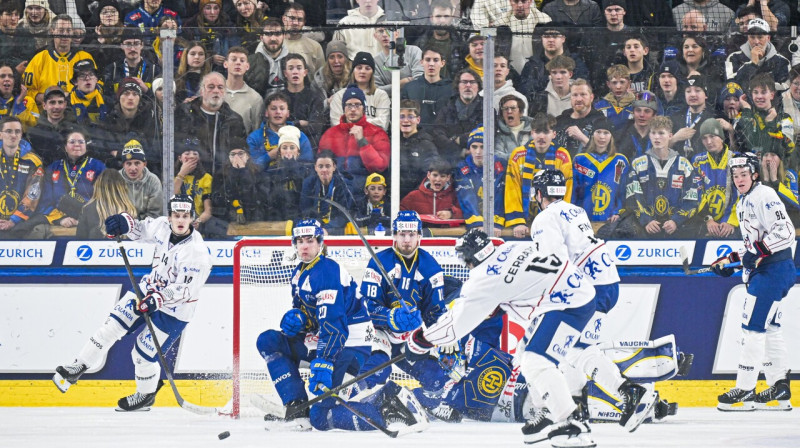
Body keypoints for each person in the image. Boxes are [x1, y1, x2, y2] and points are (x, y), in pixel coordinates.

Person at [404, 228, 598, 446]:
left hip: (566, 304)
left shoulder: (483, 278)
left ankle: (571, 423)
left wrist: (420, 341)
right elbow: (520, 281)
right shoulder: (511, 247)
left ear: (470, 258)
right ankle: (548, 412)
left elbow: (454, 326)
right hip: (574, 292)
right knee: (524, 355)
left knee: (536, 361)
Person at [53, 195, 212, 411]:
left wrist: (158, 298)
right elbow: (140, 230)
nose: (180, 220)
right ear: (169, 216)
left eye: (185, 216)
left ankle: (145, 396)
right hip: (148, 289)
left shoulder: (197, 252)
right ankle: (77, 366)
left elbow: (186, 289)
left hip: (174, 310)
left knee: (142, 355)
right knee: (111, 327)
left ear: (192, 218)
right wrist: (123, 223)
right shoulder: (162, 226)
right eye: (176, 215)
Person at [529, 168, 656, 431]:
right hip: (606, 282)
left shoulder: (544, 218)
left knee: (575, 349)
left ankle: (628, 391)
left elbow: (553, 263)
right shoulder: (575, 210)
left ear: (539, 193)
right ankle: (577, 407)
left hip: (587, 289)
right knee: (570, 349)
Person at [255, 218, 396, 431]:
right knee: (269, 341)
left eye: (310, 240)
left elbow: (335, 325)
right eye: (300, 241)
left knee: (321, 417)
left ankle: (385, 405)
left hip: (349, 346)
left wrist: (324, 362)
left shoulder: (327, 272)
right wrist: (299, 319)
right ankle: (297, 407)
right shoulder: (300, 272)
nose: (304, 246)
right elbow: (313, 316)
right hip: (328, 341)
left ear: (320, 243)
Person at [711, 152, 794, 411]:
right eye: (735, 175)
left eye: (744, 174)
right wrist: (730, 261)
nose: (739, 179)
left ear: (755, 174)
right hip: (768, 271)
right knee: (770, 328)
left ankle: (746, 389)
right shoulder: (743, 201)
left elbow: (785, 232)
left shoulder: (764, 195)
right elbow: (752, 246)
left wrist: (756, 252)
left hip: (773, 271)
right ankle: (780, 388)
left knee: (753, 329)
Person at [357, 211, 451, 396]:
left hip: (410, 336)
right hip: (379, 333)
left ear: (419, 236)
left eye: (411, 234)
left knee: (436, 378)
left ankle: (410, 403)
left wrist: (447, 337)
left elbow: (435, 313)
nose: (407, 240)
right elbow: (366, 308)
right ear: (394, 235)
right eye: (402, 234)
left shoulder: (431, 267)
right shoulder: (379, 262)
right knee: (374, 372)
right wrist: (390, 317)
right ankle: (356, 401)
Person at [625, 116, 699, 238]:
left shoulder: (684, 164)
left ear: (670, 136)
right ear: (649, 135)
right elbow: (632, 196)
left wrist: (676, 221)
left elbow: (692, 198)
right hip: (645, 228)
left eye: (661, 133)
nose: (656, 137)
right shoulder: (638, 164)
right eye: (653, 133)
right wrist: (646, 220)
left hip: (676, 228)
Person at [505, 113, 573, 238]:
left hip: (552, 222)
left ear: (554, 134)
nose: (541, 136)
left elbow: (566, 191)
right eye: (537, 132)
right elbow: (512, 189)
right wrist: (518, 221)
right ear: (532, 133)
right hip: (524, 221)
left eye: (546, 132)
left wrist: (557, 220)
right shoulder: (518, 155)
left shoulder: (563, 156)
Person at [319, 85, 390, 192]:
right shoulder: (330, 134)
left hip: (365, 192)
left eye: (357, 105)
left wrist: (362, 142)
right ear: (343, 108)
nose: (352, 109)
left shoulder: (377, 133)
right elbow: (321, 167)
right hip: (337, 192)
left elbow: (380, 166)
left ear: (364, 108)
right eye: (349, 105)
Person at [175, 72, 247, 175]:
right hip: (192, 178)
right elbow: (175, 148)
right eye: (211, 87)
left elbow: (241, 153)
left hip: (223, 179)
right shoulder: (184, 113)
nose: (216, 91)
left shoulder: (235, 120)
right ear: (202, 91)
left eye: (220, 87)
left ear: (225, 92)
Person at [22, 14, 96, 107]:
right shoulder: (39, 58)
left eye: (68, 30)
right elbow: (27, 89)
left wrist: (74, 98)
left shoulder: (85, 58)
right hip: (46, 112)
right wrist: (41, 97)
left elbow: (97, 86)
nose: (65, 34)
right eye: (61, 30)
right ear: (52, 31)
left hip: (78, 110)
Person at [41, 129, 106, 230]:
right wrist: (60, 219)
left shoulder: (98, 167)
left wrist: (85, 219)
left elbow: (105, 199)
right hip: (58, 220)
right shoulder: (54, 167)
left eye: (81, 142)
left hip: (91, 222)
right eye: (72, 142)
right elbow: (45, 200)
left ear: (86, 146)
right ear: (65, 147)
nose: (77, 145)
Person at [573, 118, 629, 222]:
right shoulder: (580, 160)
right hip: (583, 219)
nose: (602, 136)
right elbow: (574, 192)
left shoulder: (620, 161)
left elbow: (622, 193)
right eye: (598, 132)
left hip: (610, 220)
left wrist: (618, 212)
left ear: (611, 136)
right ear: (592, 135)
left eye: (606, 133)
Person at [455, 126, 506, 236]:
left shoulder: (501, 165)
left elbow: (500, 196)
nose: (478, 152)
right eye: (474, 147)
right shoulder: (461, 167)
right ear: (469, 148)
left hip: (499, 223)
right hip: (474, 223)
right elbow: (466, 196)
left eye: (483, 147)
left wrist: (495, 222)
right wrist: (477, 223)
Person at [0, 116, 46, 239]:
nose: (13, 135)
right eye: (8, 131)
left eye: (17, 131)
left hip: (21, 221)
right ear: (0, 135)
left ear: (21, 135)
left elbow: (33, 194)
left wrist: (14, 220)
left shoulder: (33, 162)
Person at [210, 137, 270, 227]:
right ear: (228, 157)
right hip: (228, 222)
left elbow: (260, 198)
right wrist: (233, 174)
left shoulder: (258, 172)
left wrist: (244, 172)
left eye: (240, 154)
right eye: (233, 154)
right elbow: (218, 199)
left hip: (254, 219)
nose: (237, 158)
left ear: (247, 156)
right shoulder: (220, 174)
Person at [734, 73, 795, 159]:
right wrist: (747, 110)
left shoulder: (784, 118)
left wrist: (770, 123)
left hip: (776, 165)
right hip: (748, 164)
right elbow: (742, 143)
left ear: (772, 95)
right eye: (755, 92)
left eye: (763, 92)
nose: (759, 96)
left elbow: (788, 148)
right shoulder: (743, 115)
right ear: (751, 95)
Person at [248, 92, 314, 170]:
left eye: (282, 109)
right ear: (266, 113)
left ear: (288, 113)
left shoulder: (300, 136)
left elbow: (308, 165)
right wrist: (269, 156)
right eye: (273, 109)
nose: (278, 112)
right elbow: (251, 167)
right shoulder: (254, 138)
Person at [328, 52, 391, 131]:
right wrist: (368, 123)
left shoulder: (381, 95)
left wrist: (351, 124)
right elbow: (336, 124)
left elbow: (383, 124)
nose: (363, 71)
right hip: (346, 138)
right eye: (359, 68)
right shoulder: (340, 95)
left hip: (373, 138)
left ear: (372, 73)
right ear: (353, 71)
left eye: (367, 68)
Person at [299, 150, 356, 235]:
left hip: (336, 228)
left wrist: (327, 229)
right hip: (314, 228)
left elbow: (344, 215)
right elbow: (306, 211)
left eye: (328, 166)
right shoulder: (308, 184)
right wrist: (318, 228)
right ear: (315, 168)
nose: (324, 170)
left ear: (334, 167)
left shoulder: (344, 184)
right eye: (320, 166)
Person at [725, 18, 790, 92]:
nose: (756, 42)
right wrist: (752, 64)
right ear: (748, 38)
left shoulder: (782, 61)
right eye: (752, 37)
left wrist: (759, 89)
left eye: (760, 37)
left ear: (768, 38)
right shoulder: (734, 58)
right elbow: (731, 86)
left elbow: (786, 88)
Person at [264, 125, 312, 221]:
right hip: (278, 218)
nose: (288, 152)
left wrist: (293, 167)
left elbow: (306, 198)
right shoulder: (272, 172)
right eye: (284, 148)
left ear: (298, 152)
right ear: (279, 151)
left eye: (292, 148)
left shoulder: (306, 171)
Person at [280, 53, 327, 149]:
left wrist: (290, 124)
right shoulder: (279, 98)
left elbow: (316, 127)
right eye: (291, 68)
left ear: (305, 72)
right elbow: (276, 126)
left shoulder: (315, 98)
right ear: (285, 73)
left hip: (309, 146)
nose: (295, 72)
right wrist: (301, 123)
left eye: (299, 68)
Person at [76, 169, 136, 239]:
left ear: (98, 186)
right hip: (124, 246)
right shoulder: (131, 210)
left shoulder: (88, 209)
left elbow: (79, 240)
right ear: (122, 187)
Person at [397, 99, 439, 199]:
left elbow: (429, 176)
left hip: (417, 198)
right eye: (401, 116)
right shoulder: (393, 142)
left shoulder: (427, 145)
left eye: (410, 116)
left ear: (418, 120)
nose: (405, 120)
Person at [400, 46, 451, 128]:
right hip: (416, 133)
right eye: (427, 60)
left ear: (442, 63)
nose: (431, 64)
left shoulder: (450, 88)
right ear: (421, 62)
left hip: (443, 133)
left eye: (436, 60)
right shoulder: (410, 88)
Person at [553, 79, 604, 157]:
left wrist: (582, 138)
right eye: (575, 95)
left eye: (583, 94)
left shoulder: (601, 122)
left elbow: (606, 154)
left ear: (591, 97)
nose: (579, 99)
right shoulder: (559, 121)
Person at [103, 27, 161, 95]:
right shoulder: (112, 70)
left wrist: (146, 90)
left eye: (136, 44)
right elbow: (106, 97)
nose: (132, 49)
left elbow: (159, 98)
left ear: (142, 45)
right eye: (128, 44)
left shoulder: (154, 70)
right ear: (122, 46)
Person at [173, 138, 213, 232]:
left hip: (198, 228)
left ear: (199, 158)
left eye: (195, 154)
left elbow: (208, 210)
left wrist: (198, 221)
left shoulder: (206, 178)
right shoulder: (171, 176)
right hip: (175, 224)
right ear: (180, 158)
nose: (191, 156)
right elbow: (169, 197)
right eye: (187, 154)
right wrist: (182, 174)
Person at [223, 47, 264, 134]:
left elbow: (256, 131)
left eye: (242, 60)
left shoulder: (255, 98)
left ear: (247, 66)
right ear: (225, 64)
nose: (238, 63)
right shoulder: (216, 92)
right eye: (233, 59)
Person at [245, 18, 289, 98]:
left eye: (277, 34)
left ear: (284, 36)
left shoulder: (293, 60)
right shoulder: (250, 62)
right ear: (261, 37)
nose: (273, 38)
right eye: (268, 34)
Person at [118, 140, 162, 219]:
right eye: (128, 163)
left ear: (144, 164)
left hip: (147, 225)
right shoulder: (115, 180)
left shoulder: (153, 181)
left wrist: (137, 224)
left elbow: (155, 214)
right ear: (123, 165)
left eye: (137, 163)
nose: (133, 168)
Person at [282, 3, 324, 76]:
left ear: (304, 23)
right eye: (292, 18)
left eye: (300, 19)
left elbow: (322, 76)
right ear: (284, 19)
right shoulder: (274, 44)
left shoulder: (315, 46)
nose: (295, 23)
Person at [593, 64, 634, 131]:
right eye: (614, 82)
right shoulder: (599, 106)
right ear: (608, 84)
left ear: (629, 84)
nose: (618, 87)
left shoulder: (636, 107)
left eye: (622, 82)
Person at [0, 63, 37, 130]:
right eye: (2, 76)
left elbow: (33, 125)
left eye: (10, 76)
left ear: (15, 80)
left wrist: (19, 103)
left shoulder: (29, 101)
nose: (7, 79)